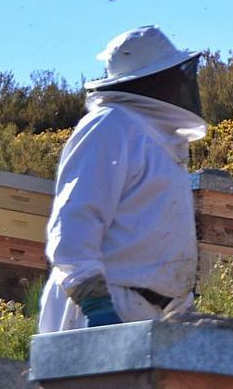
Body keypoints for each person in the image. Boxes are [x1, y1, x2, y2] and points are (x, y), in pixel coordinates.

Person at [38, 25, 207, 333]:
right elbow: (75, 222)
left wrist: (179, 309)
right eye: (168, 74)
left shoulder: (162, 142)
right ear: (150, 79)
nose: (178, 83)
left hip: (150, 316)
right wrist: (95, 304)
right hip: (98, 309)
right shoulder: (109, 126)